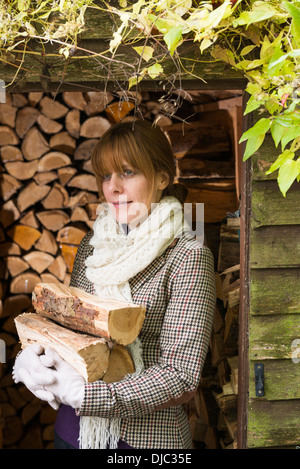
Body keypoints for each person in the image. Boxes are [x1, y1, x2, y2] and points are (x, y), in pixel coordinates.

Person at [13, 119, 216, 449]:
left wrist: (85, 395)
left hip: (141, 442)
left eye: (128, 172)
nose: (114, 187)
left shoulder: (188, 255)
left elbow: (181, 375)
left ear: (163, 177)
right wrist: (34, 357)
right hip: (72, 431)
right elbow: (70, 329)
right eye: (106, 176)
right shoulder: (95, 244)